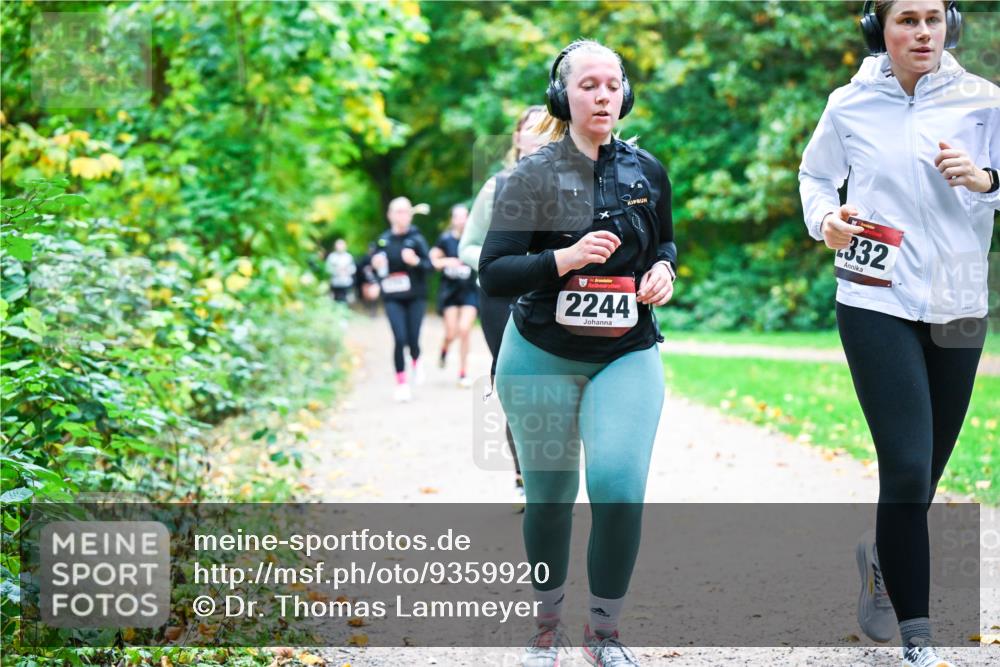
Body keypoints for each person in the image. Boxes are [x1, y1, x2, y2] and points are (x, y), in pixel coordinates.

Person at [798, 2, 998, 665]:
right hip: (873, 296)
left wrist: (987, 179)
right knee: (908, 467)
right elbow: (815, 176)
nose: (921, 32)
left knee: (921, 476)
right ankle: (918, 637)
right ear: (877, 29)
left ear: (952, 27)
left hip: (957, 299)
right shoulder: (850, 104)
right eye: (906, 19)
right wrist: (826, 218)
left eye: (932, 20)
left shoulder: (984, 102)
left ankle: (880, 554)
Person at [480, 40, 677, 667]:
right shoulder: (529, 176)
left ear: (626, 94)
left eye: (613, 84)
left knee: (619, 485)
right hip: (540, 352)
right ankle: (546, 625)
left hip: (627, 351)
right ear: (561, 97)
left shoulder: (648, 169)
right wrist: (563, 260)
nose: (603, 95)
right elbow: (494, 273)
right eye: (588, 84)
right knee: (550, 495)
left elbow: (666, 243)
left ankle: (604, 633)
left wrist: (665, 273)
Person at [459, 104, 550, 505]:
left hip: (548, 295)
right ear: (517, 139)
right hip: (501, 298)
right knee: (518, 385)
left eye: (547, 128)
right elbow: (468, 246)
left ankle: (551, 472)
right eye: (531, 128)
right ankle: (524, 475)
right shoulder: (497, 186)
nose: (539, 134)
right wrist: (501, 265)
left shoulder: (571, 185)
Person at [372, 197, 433, 402]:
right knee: (399, 338)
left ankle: (416, 359)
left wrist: (415, 261)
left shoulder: (417, 239)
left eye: (406, 211)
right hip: (392, 297)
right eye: (398, 211)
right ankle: (401, 384)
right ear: (390, 215)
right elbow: (374, 270)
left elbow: (430, 267)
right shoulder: (383, 240)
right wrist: (376, 266)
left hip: (416, 297)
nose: (402, 215)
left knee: (413, 339)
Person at [431, 204, 479, 387]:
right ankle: (444, 350)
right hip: (450, 292)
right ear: (452, 219)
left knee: (465, 330)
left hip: (469, 291)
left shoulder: (474, 240)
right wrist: (447, 261)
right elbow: (433, 261)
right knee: (451, 332)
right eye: (458, 216)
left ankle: (462, 373)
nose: (461, 220)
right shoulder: (445, 240)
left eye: (464, 216)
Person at [326, 238, 357, 304]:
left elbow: (353, 269)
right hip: (335, 283)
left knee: (346, 301)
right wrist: (336, 270)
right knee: (335, 301)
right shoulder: (332, 256)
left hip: (346, 282)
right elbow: (328, 269)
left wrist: (346, 270)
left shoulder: (348, 257)